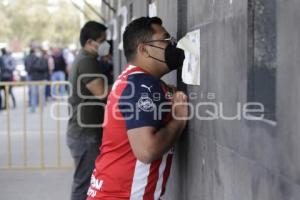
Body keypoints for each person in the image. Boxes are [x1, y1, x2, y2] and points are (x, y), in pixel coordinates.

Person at [86, 17, 187, 200]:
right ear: (144, 49)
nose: (172, 44)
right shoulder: (142, 85)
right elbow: (146, 151)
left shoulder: (133, 80)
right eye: (165, 40)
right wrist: (178, 120)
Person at [67, 21, 111, 200]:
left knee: (88, 182)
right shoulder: (86, 61)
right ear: (89, 42)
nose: (106, 44)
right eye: (102, 40)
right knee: (84, 184)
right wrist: (129, 85)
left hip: (86, 132)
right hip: (85, 133)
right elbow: (102, 92)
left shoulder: (88, 59)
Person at [25, 47, 49, 112]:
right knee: (33, 94)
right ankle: (33, 108)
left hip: (42, 79)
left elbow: (44, 68)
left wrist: (35, 67)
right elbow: (29, 68)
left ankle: (41, 108)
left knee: (41, 94)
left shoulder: (44, 59)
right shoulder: (32, 59)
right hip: (34, 79)